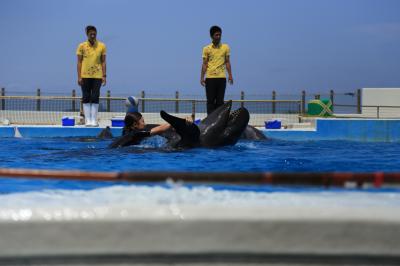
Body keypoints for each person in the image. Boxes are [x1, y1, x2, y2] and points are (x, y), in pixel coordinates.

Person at [76, 25, 107, 126]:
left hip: (97, 76)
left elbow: (103, 62)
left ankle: (94, 120)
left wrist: (104, 76)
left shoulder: (102, 46)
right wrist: (79, 76)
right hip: (85, 75)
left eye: (94, 33)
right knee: (86, 97)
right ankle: (87, 120)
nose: (93, 35)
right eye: (90, 33)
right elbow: (79, 62)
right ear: (87, 34)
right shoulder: (81, 46)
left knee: (95, 97)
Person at [200, 25, 233, 114]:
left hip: (221, 78)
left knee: (220, 102)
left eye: (219, 35)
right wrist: (202, 78)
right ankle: (210, 122)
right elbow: (204, 64)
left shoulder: (226, 47)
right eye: (216, 35)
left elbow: (227, 62)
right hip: (210, 78)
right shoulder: (206, 49)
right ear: (212, 36)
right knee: (210, 101)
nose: (218, 37)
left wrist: (230, 75)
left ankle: (219, 122)